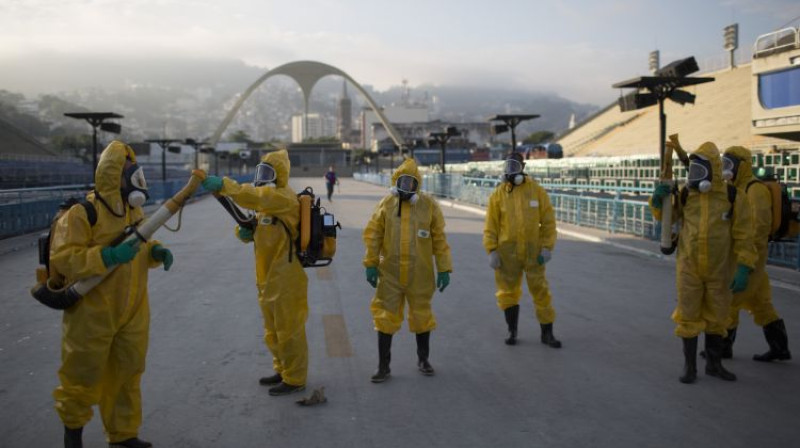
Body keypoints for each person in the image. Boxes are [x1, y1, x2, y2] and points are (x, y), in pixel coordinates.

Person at [50, 141, 173, 448]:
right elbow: (64, 257)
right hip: (92, 313)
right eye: (127, 172)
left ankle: (123, 435)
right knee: (81, 375)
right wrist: (105, 256)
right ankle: (73, 435)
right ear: (112, 175)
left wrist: (156, 252)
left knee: (127, 374)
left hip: (132, 310)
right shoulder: (83, 213)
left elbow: (140, 249)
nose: (134, 179)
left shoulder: (134, 211)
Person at [202, 150, 309, 396]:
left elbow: (251, 195)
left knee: (289, 330)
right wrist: (247, 234)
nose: (263, 178)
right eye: (261, 172)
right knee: (272, 329)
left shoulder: (281, 197)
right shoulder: (267, 207)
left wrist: (225, 185)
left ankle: (295, 378)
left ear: (280, 175)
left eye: (268, 172)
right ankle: (282, 370)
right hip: (267, 277)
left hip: (287, 277)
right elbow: (264, 234)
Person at [650, 141, 756, 384]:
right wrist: (657, 201)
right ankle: (690, 367)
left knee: (718, 316)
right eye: (692, 171)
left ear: (714, 170)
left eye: (700, 171)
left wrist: (744, 266)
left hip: (720, 269)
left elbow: (744, 234)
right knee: (688, 315)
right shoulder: (687, 194)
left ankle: (714, 364)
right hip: (689, 267)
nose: (694, 177)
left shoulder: (732, 196)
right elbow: (668, 217)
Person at [363, 158, 452, 383]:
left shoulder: (428, 206)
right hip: (389, 272)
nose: (406, 187)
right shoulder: (386, 205)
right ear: (396, 181)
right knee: (385, 316)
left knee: (422, 315)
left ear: (417, 185)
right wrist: (372, 263)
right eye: (402, 181)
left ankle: (423, 360)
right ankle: (383, 366)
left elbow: (439, 240)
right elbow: (374, 236)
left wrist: (444, 268)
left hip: (420, 274)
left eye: (411, 183)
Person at [483, 152, 561, 348]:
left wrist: (547, 247)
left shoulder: (537, 191)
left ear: (523, 167)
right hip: (507, 254)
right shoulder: (498, 195)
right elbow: (490, 226)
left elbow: (548, 222)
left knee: (541, 291)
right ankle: (512, 330)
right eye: (508, 166)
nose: (511, 170)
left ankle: (547, 333)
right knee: (507, 292)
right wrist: (491, 250)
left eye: (515, 166)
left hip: (534, 254)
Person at [720, 146, 791, 362]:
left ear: (742, 165)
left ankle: (723, 347)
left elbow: (758, 228)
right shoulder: (735, 188)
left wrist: (745, 262)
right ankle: (780, 348)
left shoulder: (754, 190)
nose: (726, 170)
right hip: (747, 256)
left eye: (730, 165)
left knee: (730, 300)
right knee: (760, 303)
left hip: (751, 258)